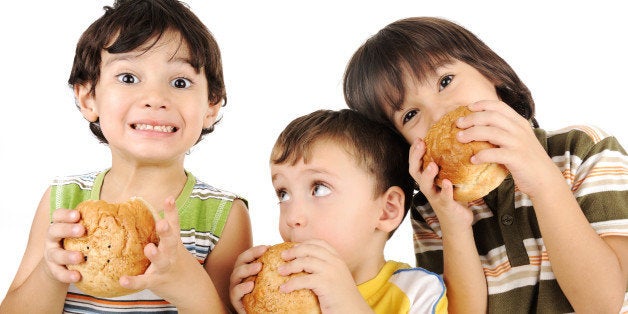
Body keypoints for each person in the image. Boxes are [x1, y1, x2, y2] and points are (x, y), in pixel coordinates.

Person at [342, 16, 628, 313]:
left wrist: (544, 182)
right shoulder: (432, 210)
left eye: (445, 81)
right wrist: (454, 225)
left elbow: (603, 303)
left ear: (490, 72)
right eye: (410, 115)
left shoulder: (580, 149)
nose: (440, 114)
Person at [0, 0, 252, 313]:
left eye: (180, 82)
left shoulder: (222, 217)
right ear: (88, 97)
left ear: (211, 106)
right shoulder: (63, 202)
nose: (155, 99)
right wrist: (51, 274)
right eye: (129, 78)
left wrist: (188, 284)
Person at [229, 109, 448, 313]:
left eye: (319, 188)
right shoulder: (289, 293)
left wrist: (349, 305)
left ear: (386, 210)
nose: (293, 217)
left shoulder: (417, 292)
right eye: (283, 194)